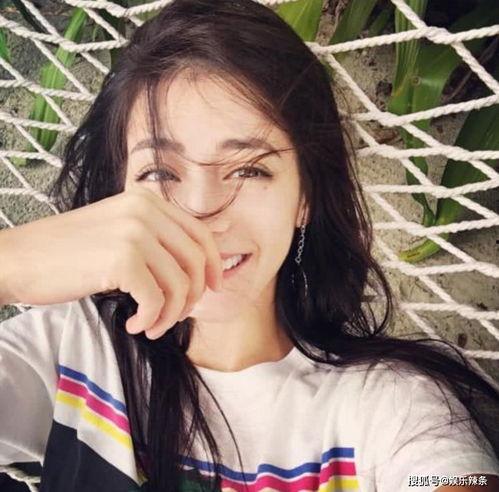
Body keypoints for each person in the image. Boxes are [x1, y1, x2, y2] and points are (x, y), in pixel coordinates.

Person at [0, 0, 498, 491]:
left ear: (305, 198)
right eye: (160, 172)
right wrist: (11, 264)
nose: (201, 210)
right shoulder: (70, 350)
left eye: (249, 169)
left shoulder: (389, 409)